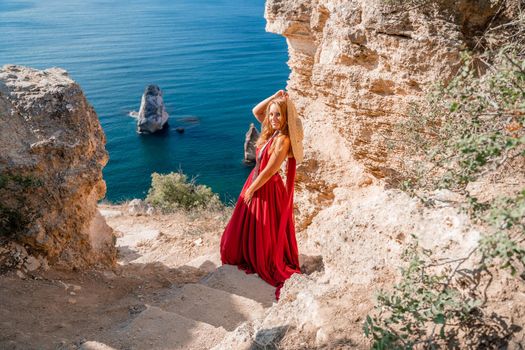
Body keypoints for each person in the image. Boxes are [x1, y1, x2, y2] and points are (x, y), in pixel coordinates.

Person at [220, 89, 304, 301]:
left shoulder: (283, 139)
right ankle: (249, 255)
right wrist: (274, 98)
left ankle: (260, 260)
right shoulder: (271, 132)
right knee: (244, 227)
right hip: (256, 183)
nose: (273, 118)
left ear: (286, 118)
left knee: (263, 228)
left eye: (278, 115)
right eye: (272, 114)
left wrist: (252, 188)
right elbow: (256, 111)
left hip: (265, 186)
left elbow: (271, 170)